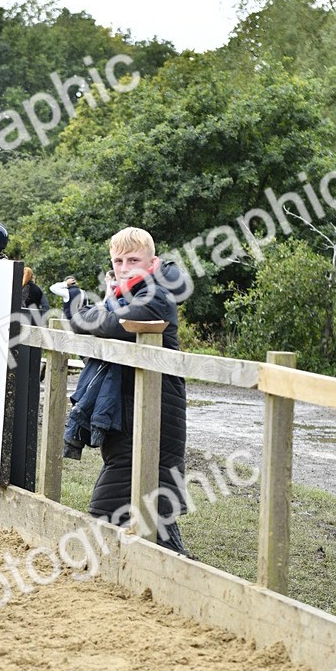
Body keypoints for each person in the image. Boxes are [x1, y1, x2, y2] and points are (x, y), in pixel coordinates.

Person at [63, 227, 191, 556]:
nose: (124, 267)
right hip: (130, 413)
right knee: (155, 518)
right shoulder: (124, 294)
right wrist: (96, 310)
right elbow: (104, 319)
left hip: (154, 417)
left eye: (133, 259)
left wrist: (80, 311)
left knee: (109, 508)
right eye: (117, 260)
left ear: (152, 262)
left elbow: (105, 324)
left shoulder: (156, 297)